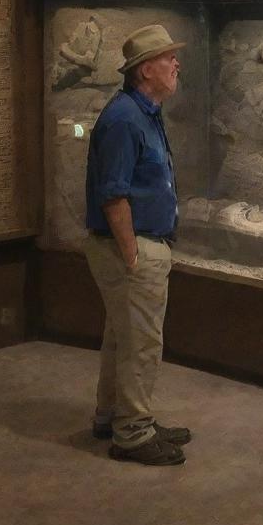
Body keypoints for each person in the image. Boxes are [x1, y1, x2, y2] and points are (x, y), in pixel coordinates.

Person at [83, 24, 191, 466]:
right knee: (142, 343)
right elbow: (113, 193)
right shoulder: (126, 118)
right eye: (168, 58)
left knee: (121, 339)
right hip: (131, 248)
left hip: (134, 246)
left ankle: (116, 416)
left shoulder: (142, 112)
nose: (176, 64)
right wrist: (132, 254)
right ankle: (133, 434)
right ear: (147, 70)